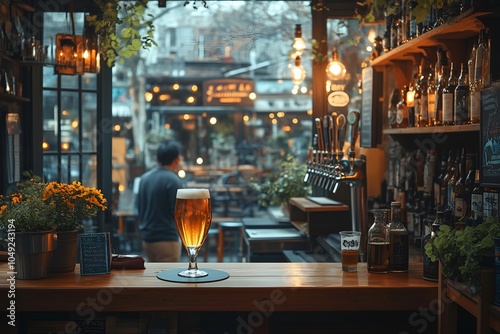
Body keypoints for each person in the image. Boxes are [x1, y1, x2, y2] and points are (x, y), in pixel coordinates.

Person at [138, 140, 183, 262]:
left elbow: (138, 208)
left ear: (158, 158)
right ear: (176, 159)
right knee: (169, 279)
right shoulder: (173, 180)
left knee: (153, 278)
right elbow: (177, 212)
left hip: (147, 239)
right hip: (167, 240)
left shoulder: (144, 179)